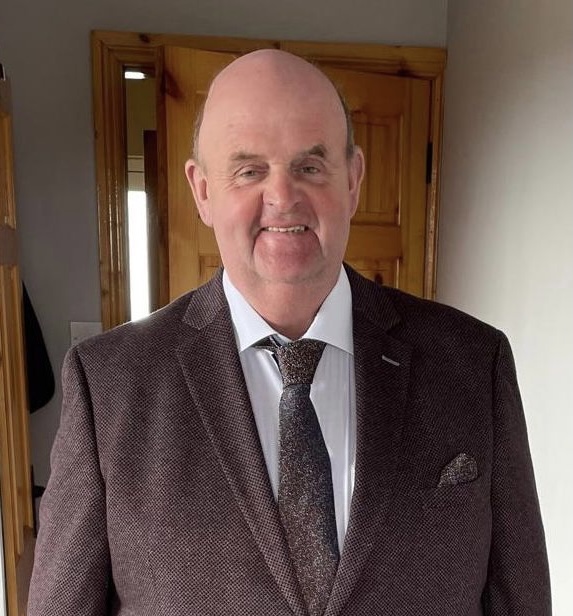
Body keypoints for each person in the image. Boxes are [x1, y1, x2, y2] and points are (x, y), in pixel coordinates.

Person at [28, 49, 550, 616]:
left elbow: (519, 598)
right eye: (249, 170)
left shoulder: (472, 362)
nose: (282, 198)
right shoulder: (109, 386)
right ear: (202, 190)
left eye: (310, 166)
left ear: (353, 180)